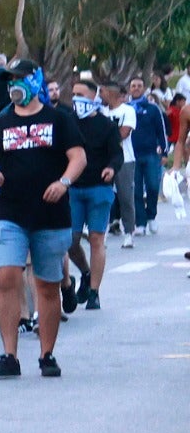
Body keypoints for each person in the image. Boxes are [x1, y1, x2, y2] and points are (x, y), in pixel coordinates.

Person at [0, 59, 86, 378]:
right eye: (11, 79)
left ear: (36, 80)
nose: (15, 85)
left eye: (21, 78)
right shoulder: (1, 123)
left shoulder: (58, 119)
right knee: (7, 276)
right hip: (11, 212)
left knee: (48, 284)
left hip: (51, 214)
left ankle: (47, 354)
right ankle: (9, 355)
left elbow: (78, 157)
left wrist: (63, 182)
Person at [65, 81, 122, 312]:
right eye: (74, 94)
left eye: (81, 94)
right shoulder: (68, 122)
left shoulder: (106, 125)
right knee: (70, 240)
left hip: (99, 187)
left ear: (93, 96)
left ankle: (95, 292)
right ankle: (86, 273)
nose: (76, 99)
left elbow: (116, 154)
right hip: (73, 188)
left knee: (97, 238)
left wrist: (111, 168)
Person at [127, 75, 167, 235]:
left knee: (152, 186)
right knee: (135, 190)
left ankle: (152, 216)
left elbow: (161, 131)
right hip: (131, 156)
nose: (136, 88)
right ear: (130, 89)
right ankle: (140, 222)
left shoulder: (153, 109)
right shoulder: (126, 108)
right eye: (133, 86)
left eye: (139, 85)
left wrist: (164, 151)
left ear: (144, 88)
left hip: (150, 154)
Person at [100, 81, 136, 247]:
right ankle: (102, 232)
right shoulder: (101, 111)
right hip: (104, 159)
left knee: (125, 197)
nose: (100, 95)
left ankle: (129, 232)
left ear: (109, 93)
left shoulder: (128, 111)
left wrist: (104, 140)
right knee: (103, 196)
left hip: (125, 159)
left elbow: (124, 132)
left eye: (102, 92)